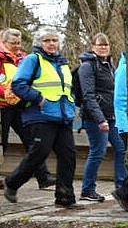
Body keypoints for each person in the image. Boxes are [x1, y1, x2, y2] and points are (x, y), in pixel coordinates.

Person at [4, 28, 77, 206]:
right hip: (40, 115)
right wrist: (39, 98)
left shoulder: (63, 63)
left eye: (54, 40)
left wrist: (71, 104)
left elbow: (68, 89)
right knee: (39, 152)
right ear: (39, 43)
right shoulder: (33, 60)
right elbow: (18, 85)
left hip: (62, 116)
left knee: (68, 155)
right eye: (46, 40)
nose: (51, 44)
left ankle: (65, 196)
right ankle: (12, 182)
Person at [0, 28, 55, 189]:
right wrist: (6, 93)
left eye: (19, 43)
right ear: (4, 42)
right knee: (2, 143)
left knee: (32, 141)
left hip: (20, 105)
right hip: (3, 106)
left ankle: (43, 177)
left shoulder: (23, 59)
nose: (17, 46)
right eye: (13, 43)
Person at [76, 33, 128, 203]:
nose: (104, 48)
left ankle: (121, 188)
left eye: (106, 45)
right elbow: (88, 95)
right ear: (93, 47)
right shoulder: (88, 66)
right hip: (95, 117)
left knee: (122, 149)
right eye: (100, 45)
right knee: (98, 152)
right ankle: (87, 189)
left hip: (111, 116)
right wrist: (100, 119)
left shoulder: (110, 65)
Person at [111, 52, 128, 211]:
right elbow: (120, 100)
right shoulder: (125, 69)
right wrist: (124, 126)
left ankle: (124, 192)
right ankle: (123, 193)